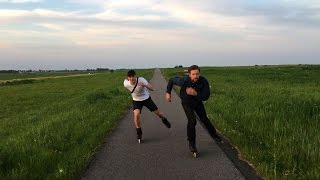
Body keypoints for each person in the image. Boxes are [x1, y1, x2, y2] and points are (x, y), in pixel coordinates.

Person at [165, 65, 222, 155]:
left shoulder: (203, 81)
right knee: (192, 121)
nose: (195, 76)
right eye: (193, 74)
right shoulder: (184, 81)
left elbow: (206, 97)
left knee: (204, 119)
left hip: (198, 102)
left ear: (199, 73)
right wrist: (168, 93)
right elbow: (172, 80)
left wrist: (195, 93)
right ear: (189, 74)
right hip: (186, 102)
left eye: (197, 74)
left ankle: (214, 134)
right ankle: (192, 144)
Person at [124, 70, 171, 143]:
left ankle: (164, 119)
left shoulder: (141, 80)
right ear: (128, 78)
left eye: (133, 76)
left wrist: (145, 85)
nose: (132, 78)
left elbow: (151, 88)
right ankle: (139, 133)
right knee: (136, 115)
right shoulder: (126, 84)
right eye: (130, 77)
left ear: (135, 76)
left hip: (146, 99)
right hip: (136, 101)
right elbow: (125, 83)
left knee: (159, 114)